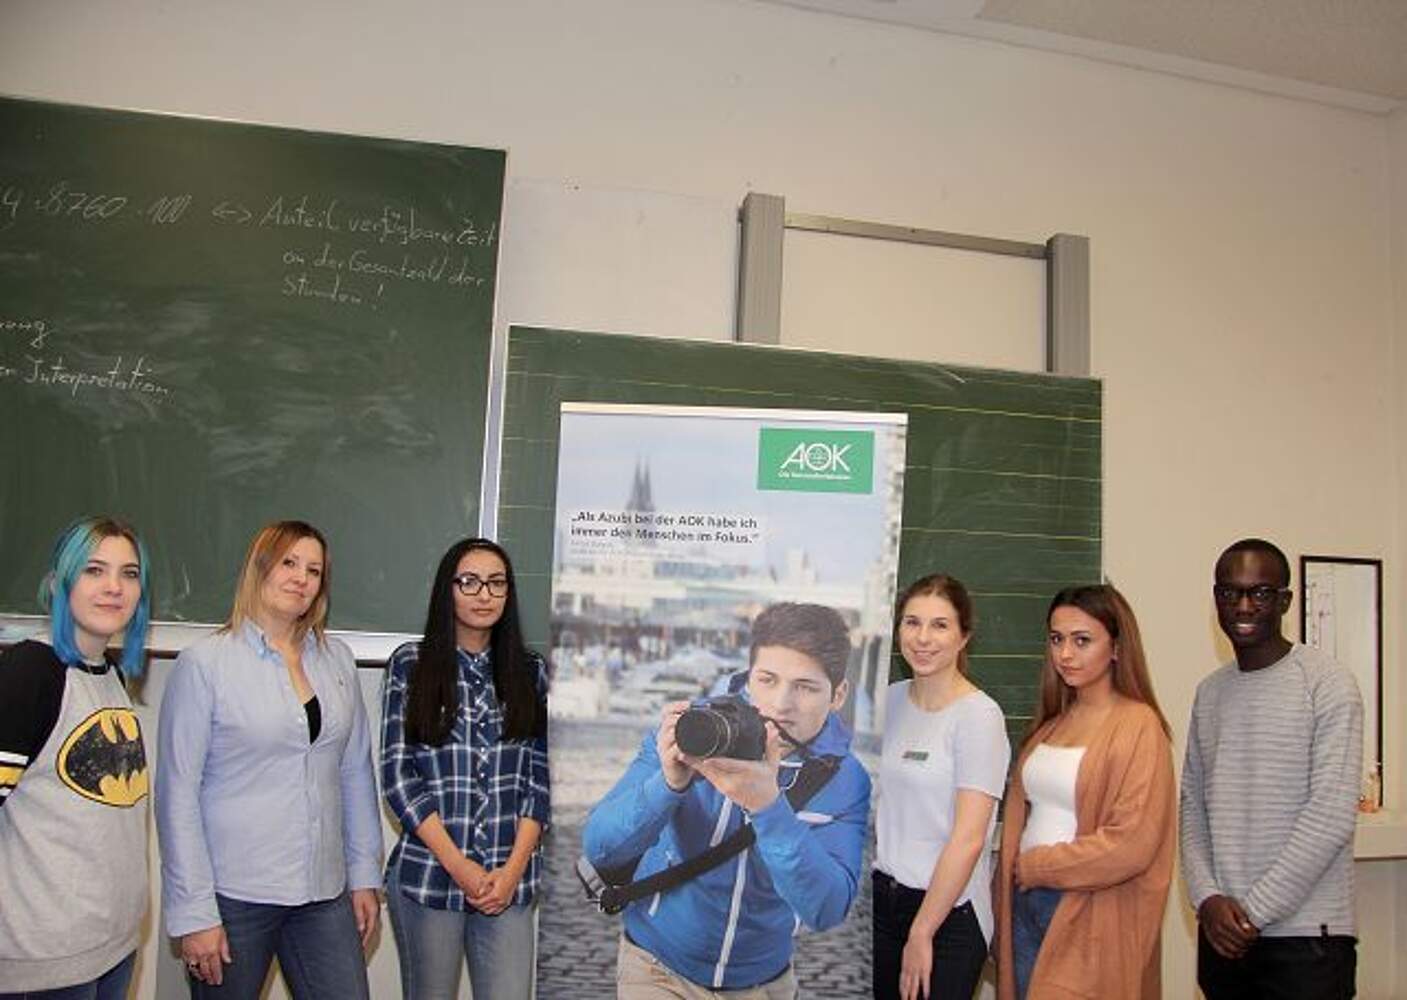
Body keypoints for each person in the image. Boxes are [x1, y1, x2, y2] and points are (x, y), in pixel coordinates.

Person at [582, 602, 871, 999]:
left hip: (763, 986)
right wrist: (667, 785)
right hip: (657, 968)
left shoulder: (845, 778)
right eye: (767, 680)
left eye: (805, 687)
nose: (781, 703)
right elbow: (600, 848)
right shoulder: (694, 731)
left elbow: (826, 908)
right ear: (749, 675)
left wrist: (769, 808)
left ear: (838, 694)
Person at [155, 520, 382, 999]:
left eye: (314, 570)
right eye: (289, 563)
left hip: (323, 893)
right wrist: (195, 913)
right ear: (259, 569)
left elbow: (355, 773)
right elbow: (177, 794)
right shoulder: (205, 664)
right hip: (235, 897)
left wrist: (364, 876)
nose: (301, 578)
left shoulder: (336, 660)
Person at [1181, 538, 1363, 999]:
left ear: (1285, 601)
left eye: (1260, 593)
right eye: (1230, 592)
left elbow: (1329, 817)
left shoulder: (1327, 683)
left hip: (1307, 941)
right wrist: (1206, 898)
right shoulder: (1210, 693)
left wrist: (1253, 913)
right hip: (1223, 937)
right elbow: (1193, 807)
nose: (1243, 606)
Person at [380, 538, 549, 1000]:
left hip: (508, 881)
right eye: (469, 582)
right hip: (430, 875)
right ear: (447, 589)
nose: (484, 595)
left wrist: (511, 871)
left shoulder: (530, 672)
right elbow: (398, 776)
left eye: (496, 583)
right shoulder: (411, 665)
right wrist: (459, 866)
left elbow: (541, 780)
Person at [993, 584, 1175, 1000]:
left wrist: (1038, 866)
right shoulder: (1051, 724)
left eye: (1082, 641)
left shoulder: (1139, 726)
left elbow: (1131, 844)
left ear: (1117, 648)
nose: (1065, 654)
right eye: (1056, 639)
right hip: (1024, 904)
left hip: (1084, 911)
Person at [0, 517, 153, 999]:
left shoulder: (109, 676)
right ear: (59, 582)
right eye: (94, 570)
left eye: (129, 574)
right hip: (44, 964)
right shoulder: (30, 672)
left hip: (112, 949)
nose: (114, 587)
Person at [873, 574, 1009, 1000]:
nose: (923, 638)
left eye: (940, 625)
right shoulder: (889, 701)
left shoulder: (979, 718)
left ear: (964, 636)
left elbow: (969, 839)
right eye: (912, 622)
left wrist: (922, 931)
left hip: (948, 916)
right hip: (882, 905)